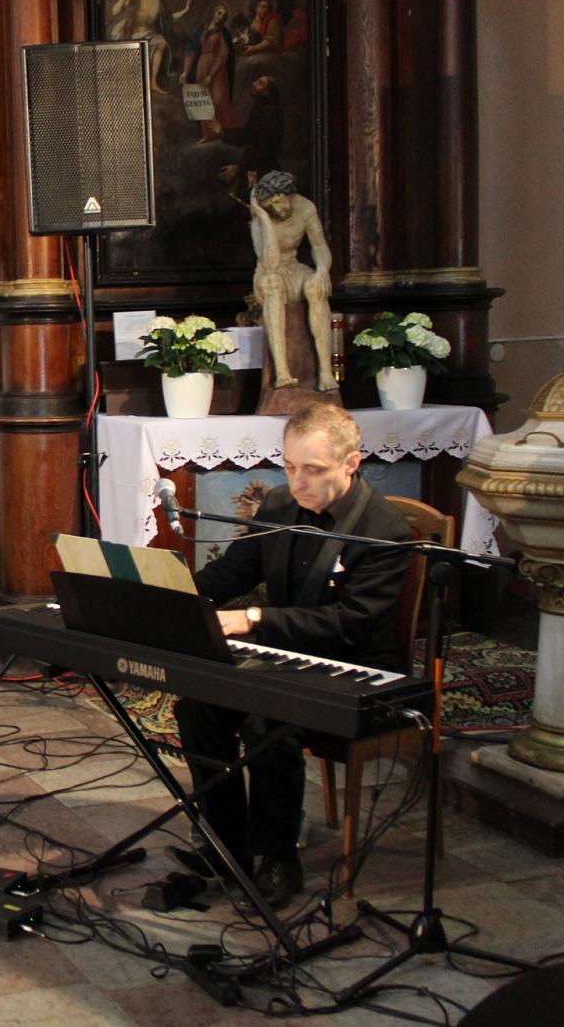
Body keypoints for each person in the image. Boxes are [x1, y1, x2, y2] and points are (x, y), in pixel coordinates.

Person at [174, 403, 411, 909]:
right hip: (290, 657)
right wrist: (174, 598)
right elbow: (234, 571)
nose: (297, 481)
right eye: (289, 466)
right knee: (197, 706)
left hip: (357, 671)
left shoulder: (383, 528)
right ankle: (226, 846)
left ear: (351, 462)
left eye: (313, 469)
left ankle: (279, 858)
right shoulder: (281, 506)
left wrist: (255, 619)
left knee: (268, 723)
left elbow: (352, 623)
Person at [248, 170, 335, 391]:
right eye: (272, 205)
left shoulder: (305, 208)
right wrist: (264, 219)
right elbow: (271, 264)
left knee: (316, 287)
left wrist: (322, 271)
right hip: (269, 273)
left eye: (280, 200)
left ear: (288, 194)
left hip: (294, 268)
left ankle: (326, 373)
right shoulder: (259, 222)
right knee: (273, 284)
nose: (279, 208)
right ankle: (282, 373)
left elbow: (319, 246)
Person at [110, 0, 193, 95]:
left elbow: (170, 19)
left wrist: (186, 10)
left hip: (149, 34)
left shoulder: (160, 3)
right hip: (132, 33)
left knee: (161, 43)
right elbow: (114, 11)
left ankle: (153, 83)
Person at [181, 4, 235, 141]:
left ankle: (224, 131)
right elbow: (191, 50)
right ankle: (208, 134)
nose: (221, 17)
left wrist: (211, 75)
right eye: (219, 13)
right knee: (203, 101)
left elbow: (223, 54)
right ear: (213, 13)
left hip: (217, 70)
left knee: (218, 100)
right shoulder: (201, 31)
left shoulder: (222, 34)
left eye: (224, 15)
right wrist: (186, 71)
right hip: (201, 67)